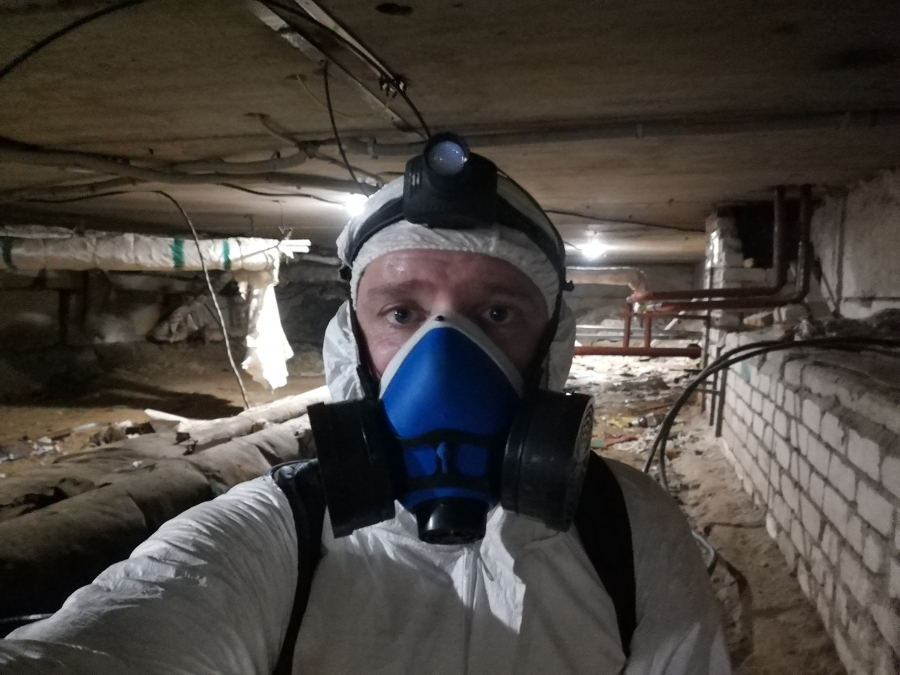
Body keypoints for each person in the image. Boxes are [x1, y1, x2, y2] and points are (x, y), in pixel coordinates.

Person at [0, 136, 731, 675]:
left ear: (551, 347)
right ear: (352, 342)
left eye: (497, 314)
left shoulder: (628, 528)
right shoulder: (272, 534)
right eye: (402, 314)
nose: (445, 357)